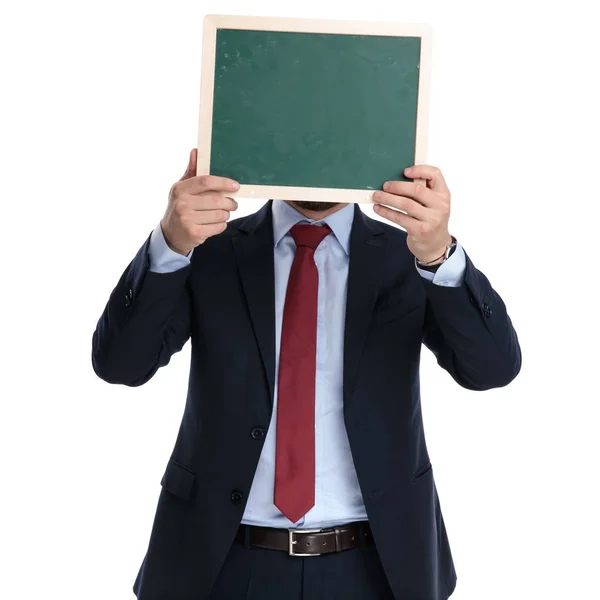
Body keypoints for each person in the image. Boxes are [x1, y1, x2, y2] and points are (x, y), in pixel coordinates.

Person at [92, 148, 521, 600]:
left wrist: (440, 255)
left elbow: (492, 369)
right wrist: (169, 244)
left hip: (376, 567)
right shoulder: (210, 249)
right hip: (220, 565)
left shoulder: (409, 257)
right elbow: (120, 364)